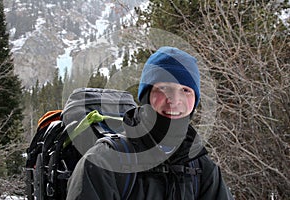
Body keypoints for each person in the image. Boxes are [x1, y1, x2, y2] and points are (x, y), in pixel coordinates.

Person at [66, 46, 234, 199]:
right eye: (163, 88)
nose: (174, 100)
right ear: (146, 96)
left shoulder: (201, 168)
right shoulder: (103, 162)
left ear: (195, 100)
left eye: (185, 90)